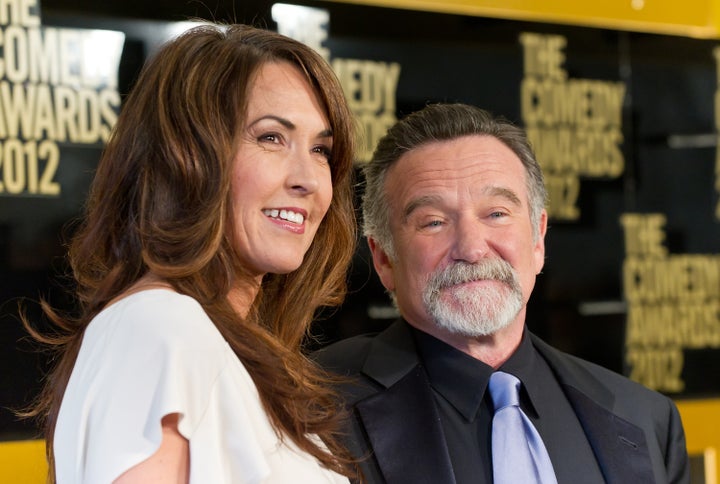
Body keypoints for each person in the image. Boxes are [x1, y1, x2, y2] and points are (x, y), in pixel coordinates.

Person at [23, 23, 359, 483]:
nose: (311, 179)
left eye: (321, 149)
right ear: (186, 158)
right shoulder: (159, 328)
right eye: (270, 138)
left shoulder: (207, 339)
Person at [315, 103, 689, 484]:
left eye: (496, 213)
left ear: (538, 237)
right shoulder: (309, 406)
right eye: (434, 222)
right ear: (383, 259)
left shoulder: (645, 420)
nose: (472, 248)